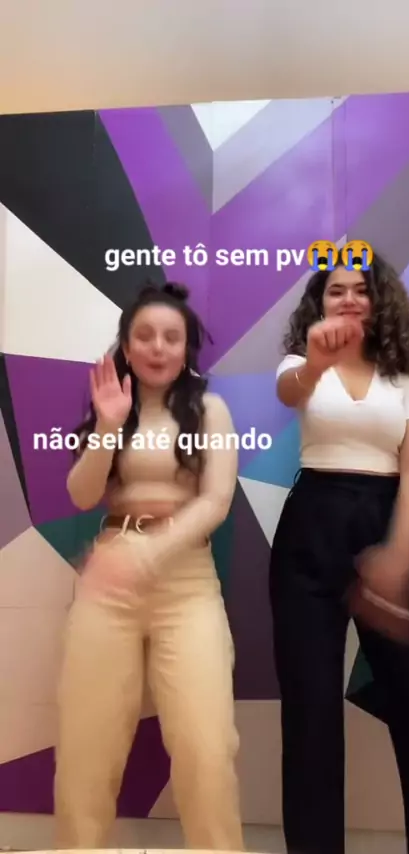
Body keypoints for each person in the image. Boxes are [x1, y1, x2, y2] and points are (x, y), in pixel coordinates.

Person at [269, 250, 409, 854]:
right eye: (336, 290)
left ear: (379, 299)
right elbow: (289, 392)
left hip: (385, 524)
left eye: (361, 288)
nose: (349, 298)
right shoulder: (302, 361)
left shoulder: (408, 371)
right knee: (311, 720)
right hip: (309, 532)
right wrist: (316, 362)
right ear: (320, 303)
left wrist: (399, 554)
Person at [54, 281, 243, 851]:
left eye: (171, 337)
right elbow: (82, 495)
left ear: (186, 348)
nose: (158, 347)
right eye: (145, 336)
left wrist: (150, 552)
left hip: (186, 582)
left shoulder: (210, 409)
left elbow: (216, 500)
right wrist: (108, 427)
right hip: (109, 583)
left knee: (207, 747)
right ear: (127, 344)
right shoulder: (114, 407)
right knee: (86, 748)